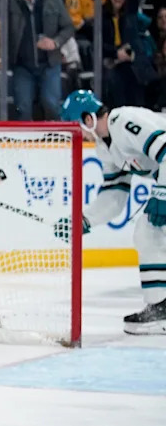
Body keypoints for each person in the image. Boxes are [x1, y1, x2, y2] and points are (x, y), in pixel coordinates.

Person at [56, 90, 166, 335]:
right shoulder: (105, 148)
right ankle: (160, 307)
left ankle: (161, 309)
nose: (78, 135)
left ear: (88, 118)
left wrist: (162, 193)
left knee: (150, 232)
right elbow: (115, 193)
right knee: (149, 233)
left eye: (76, 126)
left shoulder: (124, 121)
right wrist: (85, 220)